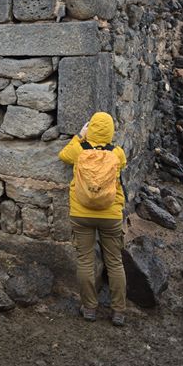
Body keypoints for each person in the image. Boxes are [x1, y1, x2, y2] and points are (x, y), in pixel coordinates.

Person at [58, 111, 128, 326]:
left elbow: (63, 155)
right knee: (115, 262)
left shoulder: (79, 150)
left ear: (91, 128)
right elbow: (121, 167)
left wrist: (80, 136)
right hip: (110, 215)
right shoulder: (118, 153)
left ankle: (89, 308)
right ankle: (118, 312)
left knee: (85, 260)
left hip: (81, 214)